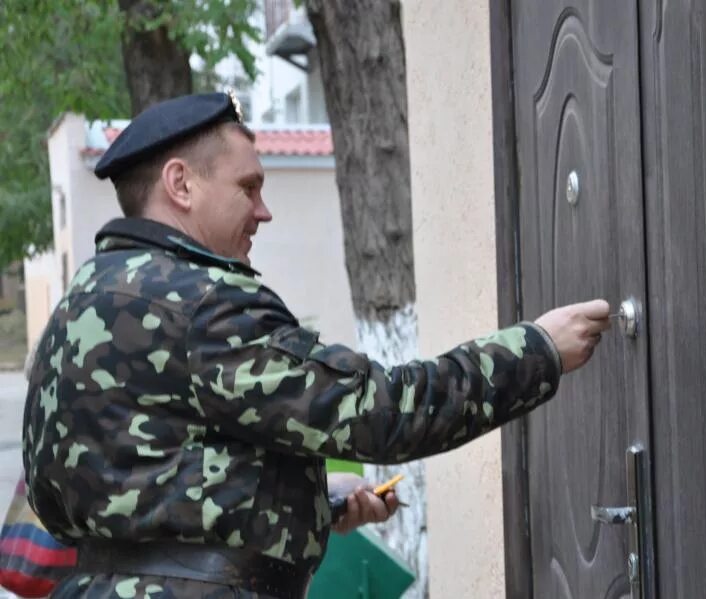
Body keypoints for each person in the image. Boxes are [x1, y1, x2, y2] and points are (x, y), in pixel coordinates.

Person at [22, 92, 611, 599]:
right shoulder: (203, 304)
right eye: (248, 187)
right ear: (181, 184)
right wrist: (538, 350)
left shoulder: (77, 307)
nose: (264, 211)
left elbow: (122, 491)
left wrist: (309, 499)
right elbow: (384, 414)